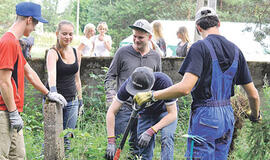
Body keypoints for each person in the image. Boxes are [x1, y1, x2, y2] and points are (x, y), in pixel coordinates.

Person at [134, 7, 261, 160]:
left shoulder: (199, 47)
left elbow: (185, 88)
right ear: (219, 23)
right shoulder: (236, 51)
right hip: (228, 116)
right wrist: (255, 115)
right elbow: (253, 95)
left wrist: (153, 95)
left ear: (198, 27)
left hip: (206, 117)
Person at [0, 2, 67, 159]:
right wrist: (13, 112)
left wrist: (48, 93)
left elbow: (29, 72)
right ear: (29, 19)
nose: (35, 27)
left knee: (18, 156)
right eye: (36, 23)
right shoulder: (7, 42)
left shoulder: (15, 43)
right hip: (4, 113)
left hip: (11, 112)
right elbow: (3, 81)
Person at [105, 19, 161, 158]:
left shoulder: (155, 56)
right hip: (124, 106)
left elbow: (157, 81)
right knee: (116, 145)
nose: (136, 40)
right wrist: (111, 94)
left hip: (145, 108)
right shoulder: (122, 52)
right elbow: (110, 76)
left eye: (140, 37)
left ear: (149, 37)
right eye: (134, 36)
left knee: (138, 148)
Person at [105, 67, 177, 160]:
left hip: (165, 112)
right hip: (146, 114)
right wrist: (111, 141)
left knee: (167, 138)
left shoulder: (163, 81)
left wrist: (151, 131)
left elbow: (173, 114)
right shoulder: (128, 84)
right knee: (142, 147)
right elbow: (111, 111)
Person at [45, 20, 83, 151]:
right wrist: (54, 93)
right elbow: (51, 75)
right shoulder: (52, 52)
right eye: (64, 34)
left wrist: (80, 99)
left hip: (72, 101)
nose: (68, 37)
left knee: (67, 137)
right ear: (57, 34)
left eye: (70, 34)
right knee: (52, 137)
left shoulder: (76, 52)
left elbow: (77, 78)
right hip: (54, 101)